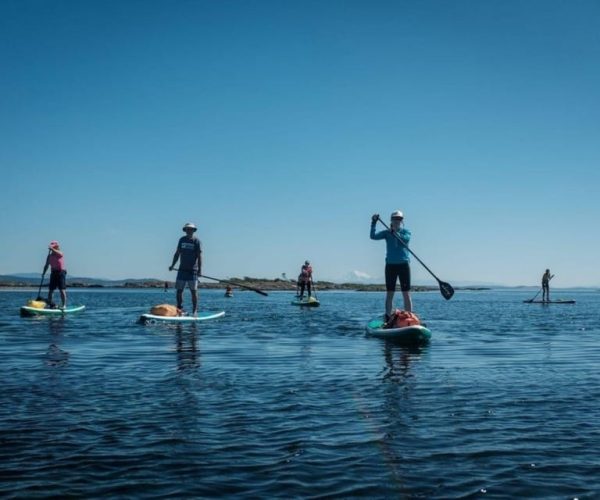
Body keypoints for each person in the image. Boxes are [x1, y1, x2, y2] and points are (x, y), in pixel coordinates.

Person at [370, 210, 412, 319]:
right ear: (391, 220)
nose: (397, 221)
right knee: (390, 293)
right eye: (395, 219)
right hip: (390, 266)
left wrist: (395, 233)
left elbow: (405, 240)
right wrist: (373, 222)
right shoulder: (386, 233)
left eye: (399, 219)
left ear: (402, 221)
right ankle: (388, 316)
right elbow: (372, 236)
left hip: (404, 265)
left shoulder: (406, 232)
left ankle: (409, 316)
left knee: (406, 293)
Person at [169, 223, 202, 315]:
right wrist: (172, 265)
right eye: (187, 229)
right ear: (185, 230)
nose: (189, 230)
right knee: (179, 291)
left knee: (194, 291)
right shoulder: (182, 240)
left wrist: (200, 270)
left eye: (191, 229)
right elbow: (177, 254)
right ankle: (179, 309)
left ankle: (195, 310)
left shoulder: (197, 241)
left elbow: (199, 256)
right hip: (182, 270)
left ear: (193, 230)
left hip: (193, 271)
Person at [43, 241, 67, 309]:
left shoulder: (60, 253)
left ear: (56, 246)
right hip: (53, 273)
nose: (52, 247)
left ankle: (64, 305)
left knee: (62, 290)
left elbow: (59, 253)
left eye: (53, 246)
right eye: (51, 246)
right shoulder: (49, 256)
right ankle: (50, 304)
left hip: (61, 272)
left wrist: (52, 249)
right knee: (51, 290)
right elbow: (46, 265)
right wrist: (43, 273)